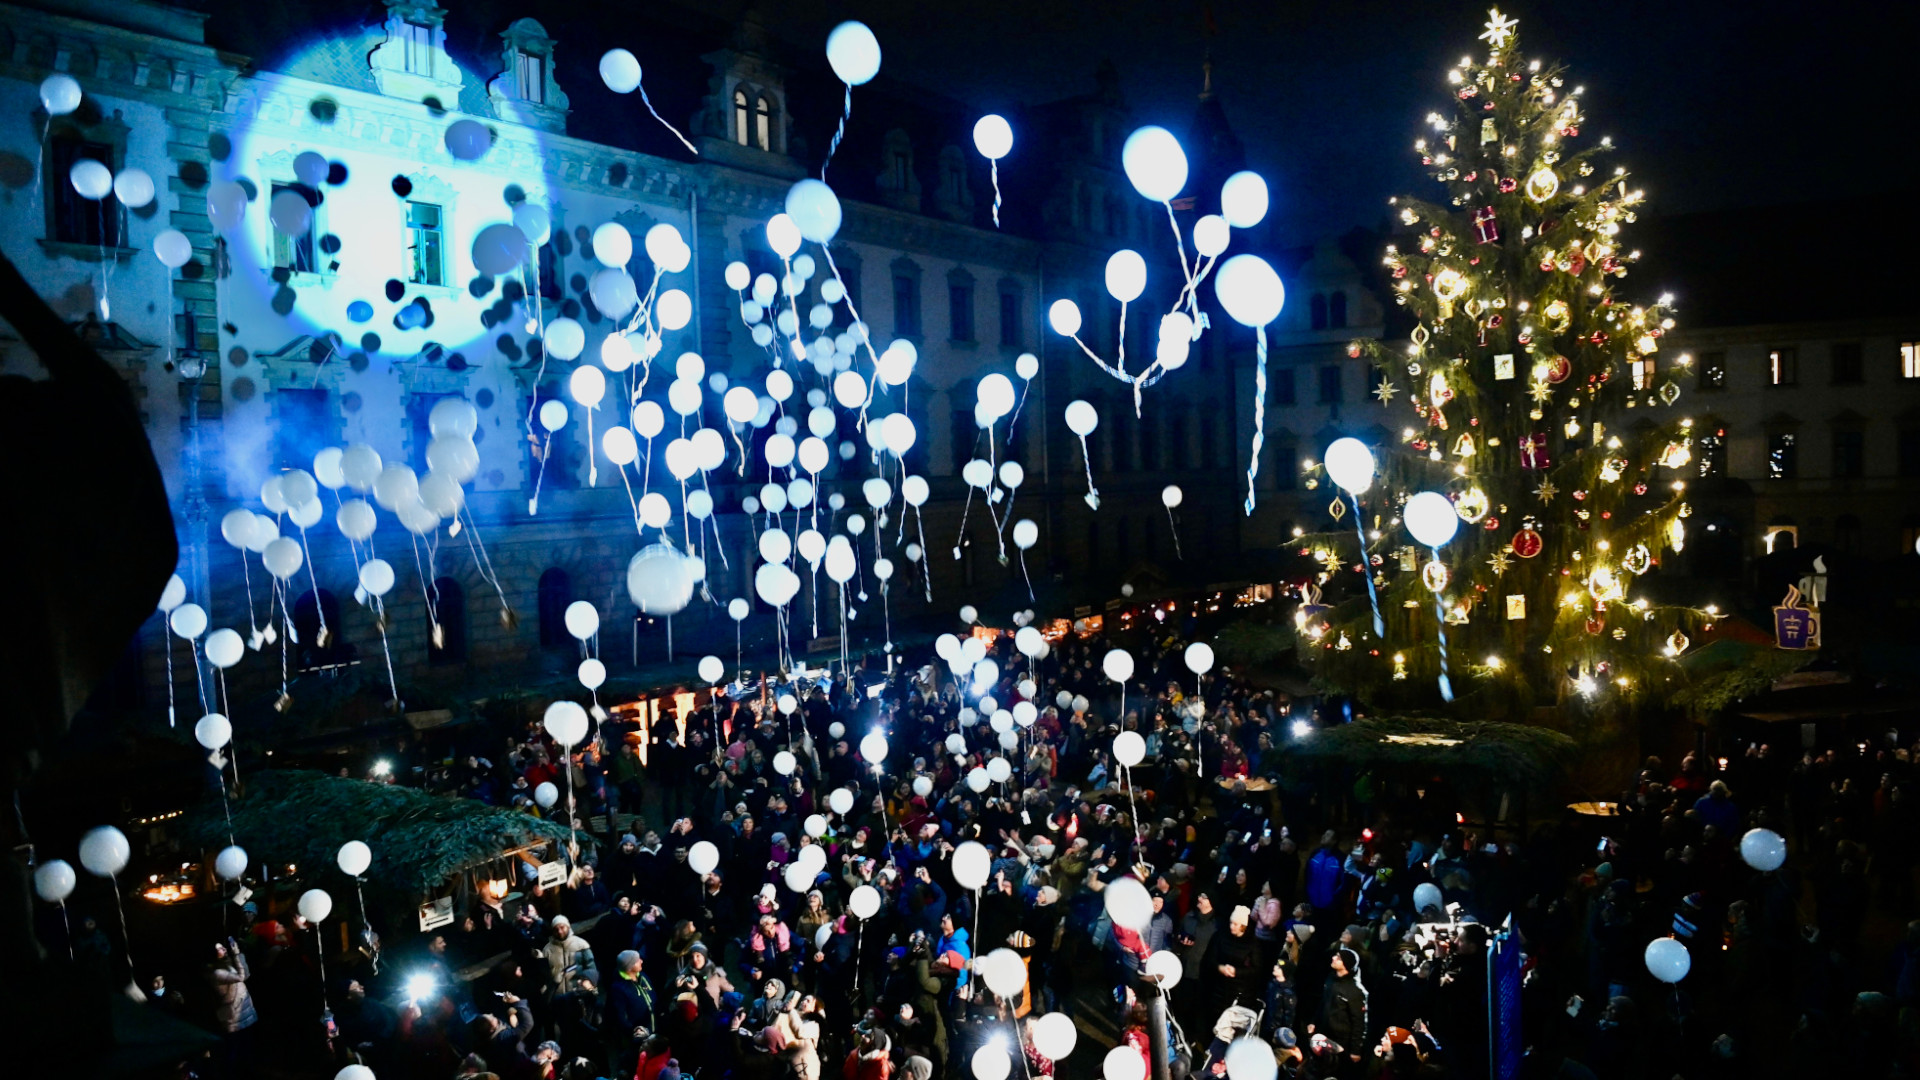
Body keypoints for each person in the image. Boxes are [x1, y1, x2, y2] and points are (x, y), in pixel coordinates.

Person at [604, 949, 656, 1071]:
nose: (641, 961)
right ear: (629, 967)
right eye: (638, 960)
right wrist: (635, 1032)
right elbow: (620, 1017)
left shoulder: (643, 977)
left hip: (653, 1030)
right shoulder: (619, 989)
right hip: (637, 1040)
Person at [1319, 947, 1367, 1073]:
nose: (1333, 958)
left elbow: (1360, 1023)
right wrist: (1314, 1022)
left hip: (1340, 1042)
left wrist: (1356, 1050)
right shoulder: (1331, 979)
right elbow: (1323, 1002)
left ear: (1346, 964)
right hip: (1324, 1034)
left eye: (1338, 958)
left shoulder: (1356, 991)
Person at [543, 916, 597, 997]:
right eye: (556, 929)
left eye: (562, 927)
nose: (560, 931)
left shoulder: (581, 945)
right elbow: (544, 974)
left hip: (578, 993)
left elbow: (591, 969)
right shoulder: (547, 950)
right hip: (557, 996)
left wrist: (587, 983)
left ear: (568, 926)